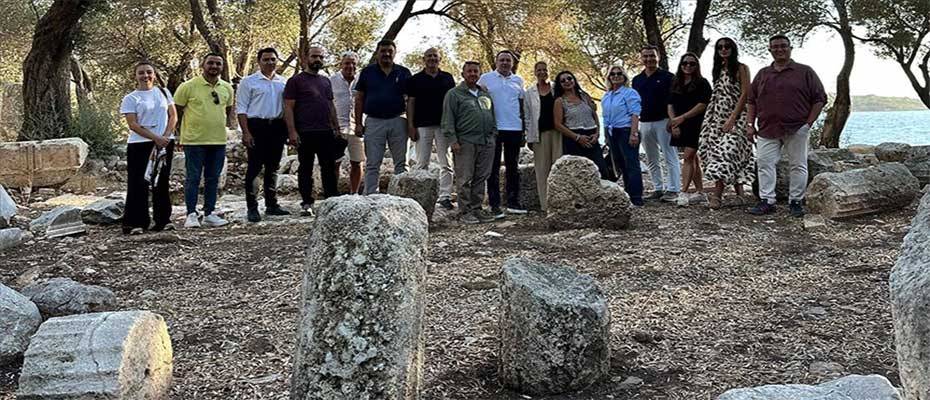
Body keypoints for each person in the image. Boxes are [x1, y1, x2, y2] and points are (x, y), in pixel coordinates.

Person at [747, 34, 826, 217]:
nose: (779, 49)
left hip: (796, 127)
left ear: (790, 48)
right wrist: (750, 124)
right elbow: (751, 100)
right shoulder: (762, 74)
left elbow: (819, 99)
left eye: (783, 46)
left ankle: (796, 201)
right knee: (765, 163)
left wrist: (808, 123)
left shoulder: (805, 72)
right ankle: (767, 200)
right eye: (775, 47)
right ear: (770, 50)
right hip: (767, 128)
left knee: (798, 165)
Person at [174, 53, 234, 228]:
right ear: (203, 64)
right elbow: (176, 110)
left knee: (213, 178)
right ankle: (191, 214)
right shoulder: (188, 86)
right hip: (194, 141)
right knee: (193, 178)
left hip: (218, 141)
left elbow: (228, 110)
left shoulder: (227, 88)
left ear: (222, 67)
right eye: (210, 63)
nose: (214, 66)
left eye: (218, 64)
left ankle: (209, 213)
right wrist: (178, 134)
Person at [120, 61, 178, 234]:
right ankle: (136, 222)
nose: (146, 76)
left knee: (161, 181)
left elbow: (173, 115)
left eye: (149, 72)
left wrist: (166, 136)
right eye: (141, 73)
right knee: (139, 182)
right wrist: (155, 138)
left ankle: (163, 220)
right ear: (135, 76)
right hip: (140, 144)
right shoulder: (131, 98)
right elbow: (133, 124)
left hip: (165, 142)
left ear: (154, 74)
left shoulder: (164, 92)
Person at [700, 37, 756, 209]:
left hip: (737, 119)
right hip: (716, 118)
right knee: (724, 154)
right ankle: (740, 195)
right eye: (720, 47)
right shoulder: (719, 70)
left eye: (727, 46)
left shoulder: (741, 68)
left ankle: (717, 196)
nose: (724, 49)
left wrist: (733, 118)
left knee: (727, 153)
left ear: (733, 49)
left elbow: (746, 93)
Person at [284, 45, 340, 216]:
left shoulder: (325, 81)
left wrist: (336, 127)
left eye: (321, 57)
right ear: (306, 58)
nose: (318, 60)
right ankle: (307, 203)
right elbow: (288, 107)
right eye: (315, 56)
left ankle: (331, 200)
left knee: (329, 167)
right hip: (305, 132)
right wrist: (292, 132)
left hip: (326, 131)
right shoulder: (295, 81)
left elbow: (330, 105)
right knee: (305, 168)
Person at [237, 47, 291, 222]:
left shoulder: (283, 82)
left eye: (273, 59)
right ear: (259, 62)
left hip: (277, 126)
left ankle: (272, 204)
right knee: (254, 168)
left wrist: (290, 131)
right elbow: (242, 109)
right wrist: (246, 132)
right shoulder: (248, 82)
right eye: (266, 59)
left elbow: (287, 108)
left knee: (273, 168)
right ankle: (252, 208)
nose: (270, 63)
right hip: (256, 126)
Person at [442, 61, 497, 224]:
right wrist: (453, 140)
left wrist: (493, 134)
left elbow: (491, 114)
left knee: (481, 177)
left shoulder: (484, 94)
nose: (473, 74)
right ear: (463, 74)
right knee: (464, 178)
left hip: (486, 141)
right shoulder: (454, 94)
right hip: (465, 142)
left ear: (480, 75)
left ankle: (477, 208)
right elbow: (447, 119)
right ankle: (464, 211)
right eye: (469, 71)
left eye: (476, 71)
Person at [355, 39, 412, 195]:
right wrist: (358, 124)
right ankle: (371, 197)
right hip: (374, 121)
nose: (386, 54)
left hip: (399, 120)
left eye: (389, 51)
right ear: (377, 52)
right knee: (373, 163)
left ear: (394, 53)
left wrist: (411, 125)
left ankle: (402, 197)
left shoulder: (404, 72)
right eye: (383, 51)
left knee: (401, 163)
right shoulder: (367, 72)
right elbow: (359, 98)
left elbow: (411, 100)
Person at [406, 47, 457, 209]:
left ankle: (445, 196)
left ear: (439, 59)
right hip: (422, 125)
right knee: (422, 163)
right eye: (429, 56)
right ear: (424, 59)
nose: (432, 59)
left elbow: (453, 103)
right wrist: (411, 125)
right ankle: (421, 196)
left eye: (435, 56)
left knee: (446, 163)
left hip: (444, 126)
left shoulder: (447, 78)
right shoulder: (416, 79)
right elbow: (411, 103)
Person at [479, 50, 526, 218]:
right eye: (502, 60)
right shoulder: (485, 78)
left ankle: (513, 202)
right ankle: (494, 204)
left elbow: (522, 106)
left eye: (508, 60)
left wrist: (524, 129)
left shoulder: (518, 80)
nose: (505, 63)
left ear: (512, 63)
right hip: (494, 129)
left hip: (514, 128)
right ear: (497, 62)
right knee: (493, 168)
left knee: (513, 167)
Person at [633, 45, 681, 202]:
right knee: (651, 157)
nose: (649, 59)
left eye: (652, 56)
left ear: (658, 57)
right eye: (645, 56)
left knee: (670, 156)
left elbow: (673, 101)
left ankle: (673, 189)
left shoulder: (668, 77)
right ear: (641, 58)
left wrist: (673, 122)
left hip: (664, 122)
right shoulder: (637, 80)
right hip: (645, 122)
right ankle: (658, 188)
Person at [667, 52, 712, 204]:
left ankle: (684, 192)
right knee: (693, 158)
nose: (688, 66)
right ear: (680, 65)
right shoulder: (675, 82)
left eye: (692, 63)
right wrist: (674, 122)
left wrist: (683, 117)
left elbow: (703, 104)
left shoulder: (703, 83)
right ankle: (700, 192)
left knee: (687, 157)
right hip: (679, 124)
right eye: (685, 63)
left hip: (696, 124)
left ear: (697, 66)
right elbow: (669, 104)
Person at [602, 65, 645, 206]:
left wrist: (633, 133)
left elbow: (635, 114)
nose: (616, 76)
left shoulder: (629, 93)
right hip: (612, 132)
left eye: (619, 73)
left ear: (624, 76)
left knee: (632, 164)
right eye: (612, 74)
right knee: (620, 164)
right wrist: (606, 136)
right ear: (609, 77)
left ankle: (636, 197)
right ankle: (627, 193)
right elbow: (606, 116)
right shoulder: (607, 95)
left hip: (626, 131)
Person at [552, 70, 608, 177]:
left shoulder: (584, 96)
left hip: (592, 137)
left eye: (569, 78)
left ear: (574, 80)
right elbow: (558, 124)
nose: (567, 81)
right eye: (563, 81)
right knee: (580, 175)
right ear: (560, 84)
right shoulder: (560, 101)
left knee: (601, 171)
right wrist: (577, 137)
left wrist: (597, 133)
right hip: (574, 139)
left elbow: (594, 115)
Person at [524, 61, 561, 211]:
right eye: (539, 70)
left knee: (558, 167)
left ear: (548, 72)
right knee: (542, 170)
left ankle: (559, 202)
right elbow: (527, 116)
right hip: (539, 134)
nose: (542, 72)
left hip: (558, 132)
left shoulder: (556, 89)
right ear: (535, 72)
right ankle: (546, 206)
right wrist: (528, 136)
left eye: (544, 70)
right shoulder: (529, 92)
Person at [330, 51, 364, 195]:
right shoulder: (331, 80)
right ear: (341, 64)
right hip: (337, 128)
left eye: (353, 63)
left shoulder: (362, 80)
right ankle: (332, 193)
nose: (350, 66)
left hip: (357, 127)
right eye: (347, 63)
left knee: (357, 162)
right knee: (334, 163)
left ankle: (354, 194)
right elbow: (328, 104)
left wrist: (360, 124)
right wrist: (332, 126)